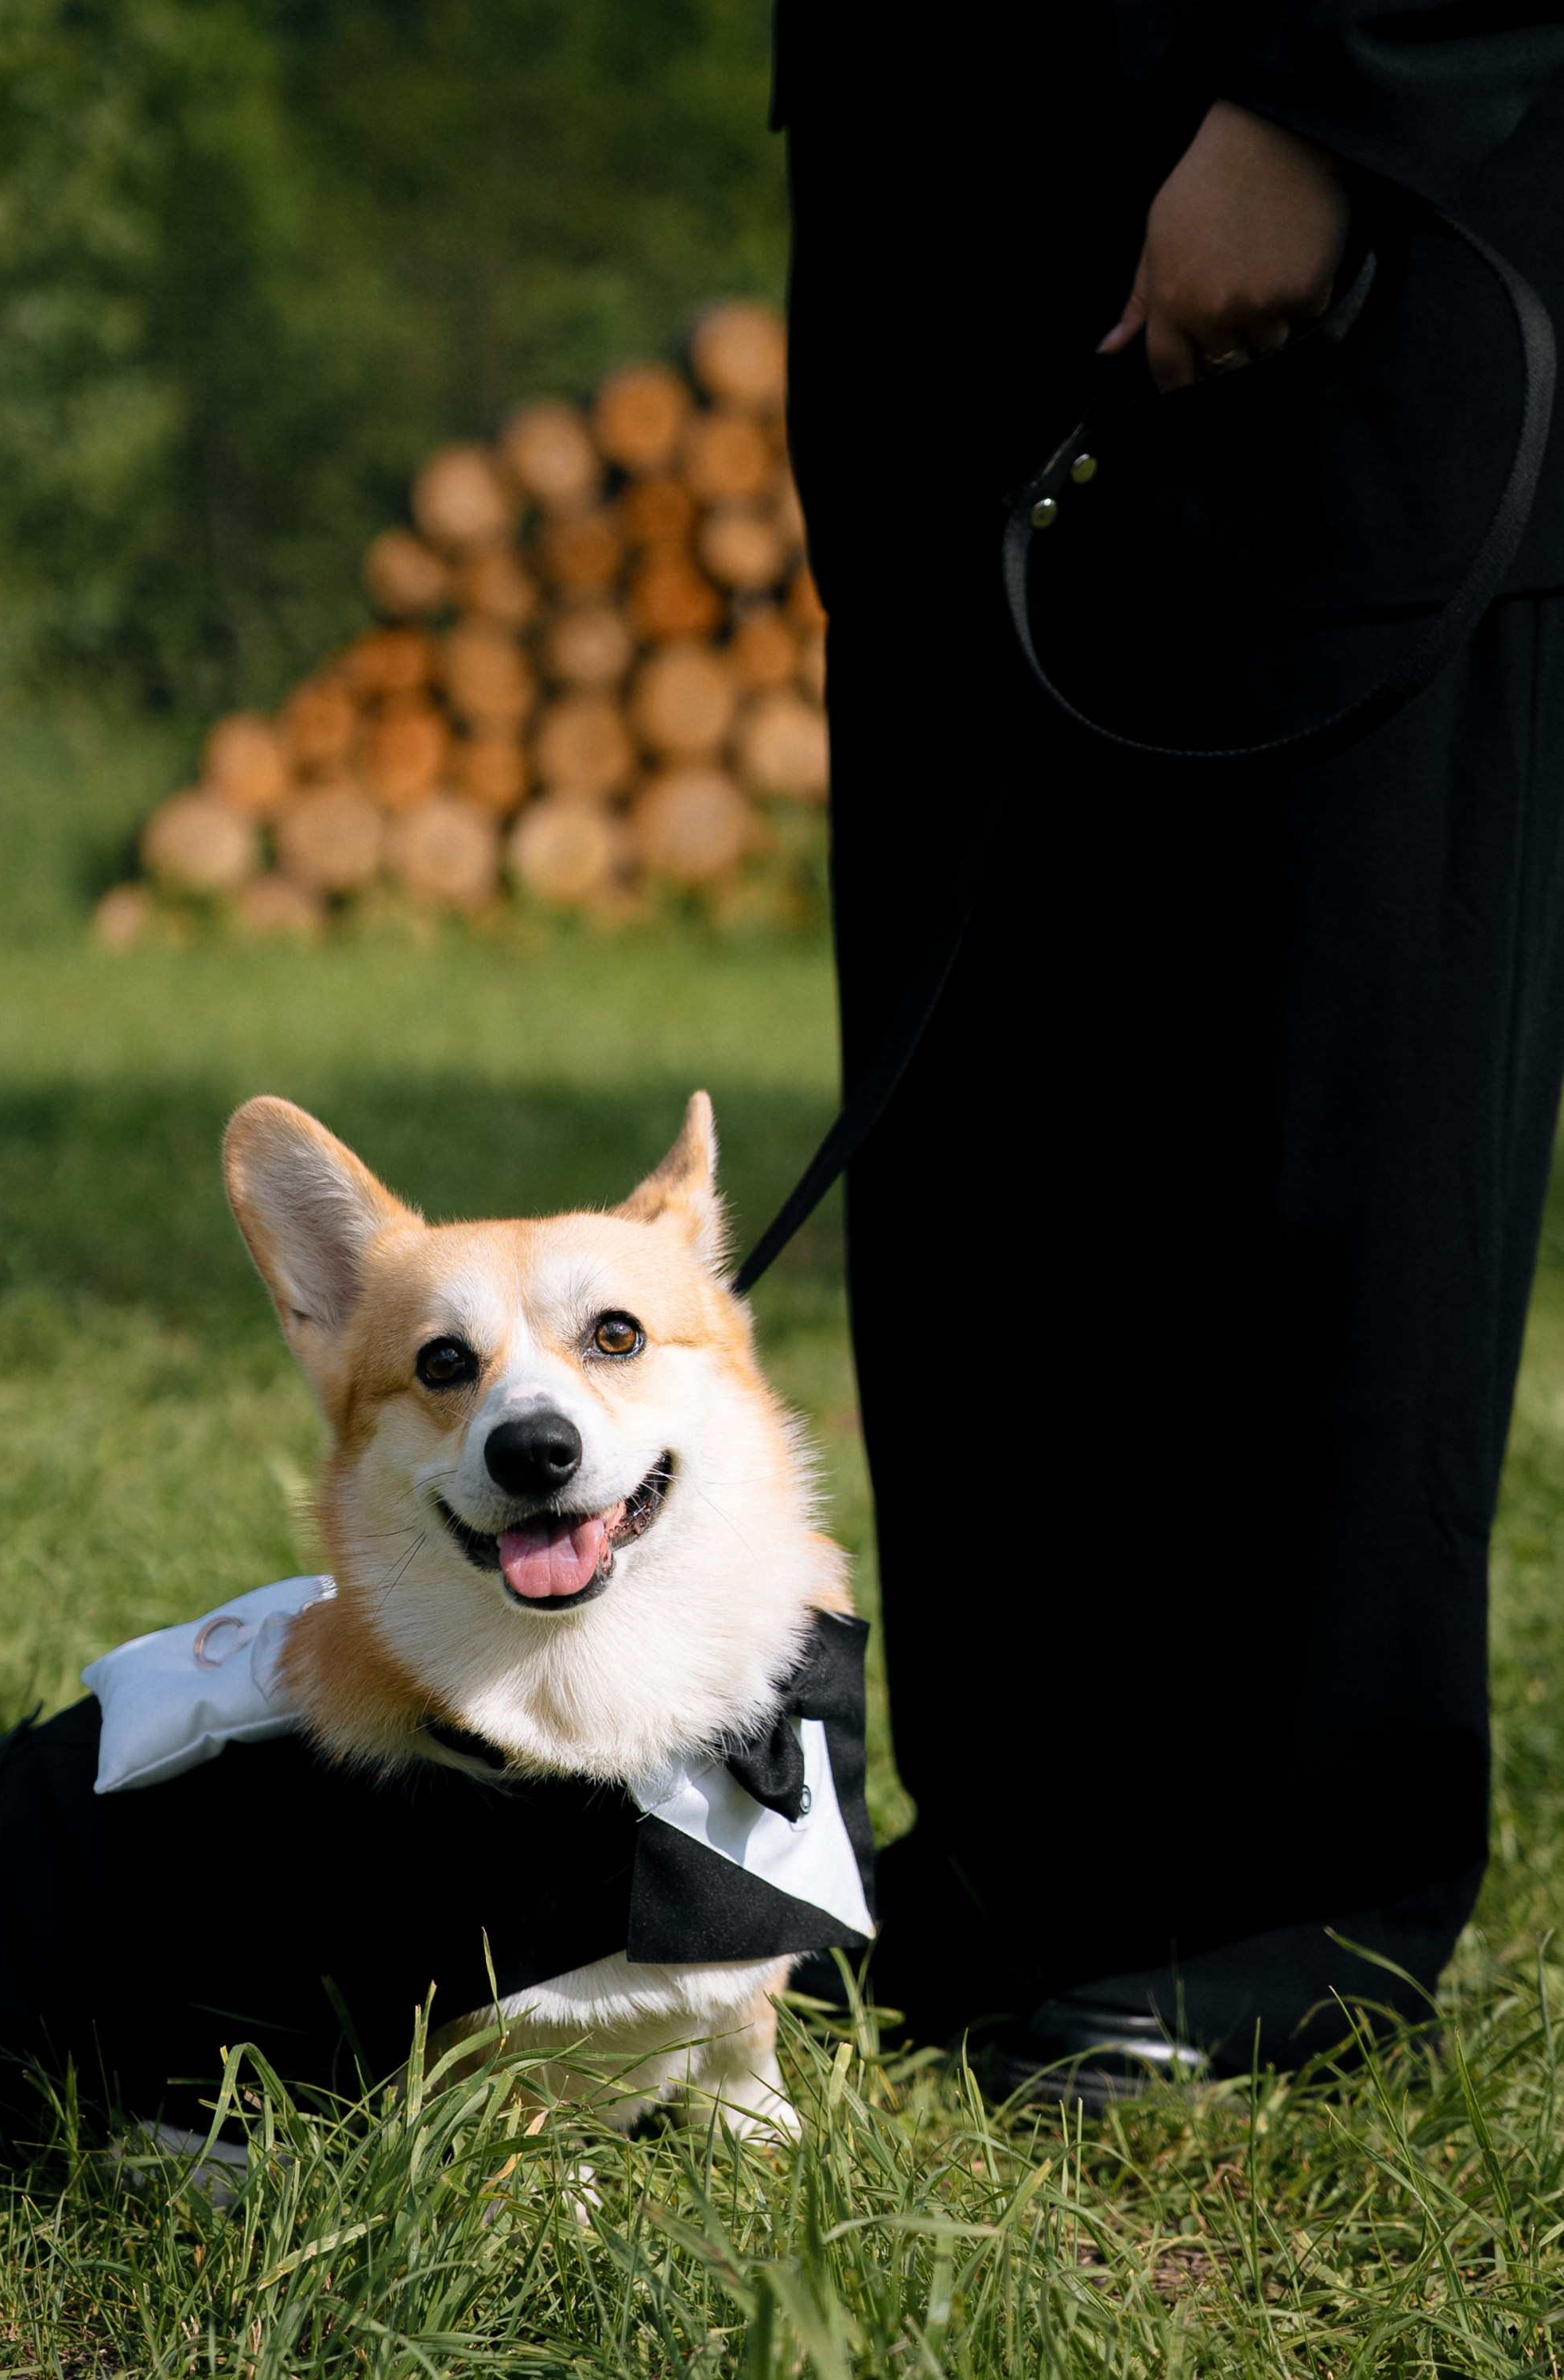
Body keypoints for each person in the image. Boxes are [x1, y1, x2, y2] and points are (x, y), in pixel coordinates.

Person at [778, 4, 1564, 2079]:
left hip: (1334, 274)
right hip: (948, 298)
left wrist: (1329, 110)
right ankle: (1027, 1867)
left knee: (1317, 1131)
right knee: (986, 1166)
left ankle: (1284, 1914)